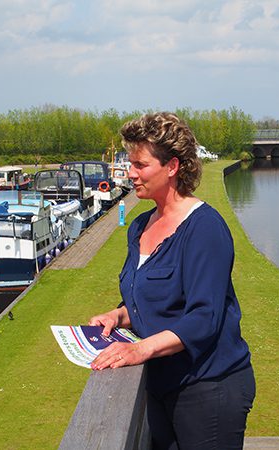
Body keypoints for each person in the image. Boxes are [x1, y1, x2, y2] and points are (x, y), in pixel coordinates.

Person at [88, 112, 255, 450]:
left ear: (173, 167)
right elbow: (150, 299)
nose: (130, 173)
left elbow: (203, 319)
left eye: (140, 164)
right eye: (129, 163)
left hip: (209, 387)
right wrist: (117, 316)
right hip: (162, 384)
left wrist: (138, 349)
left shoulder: (204, 228)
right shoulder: (139, 226)